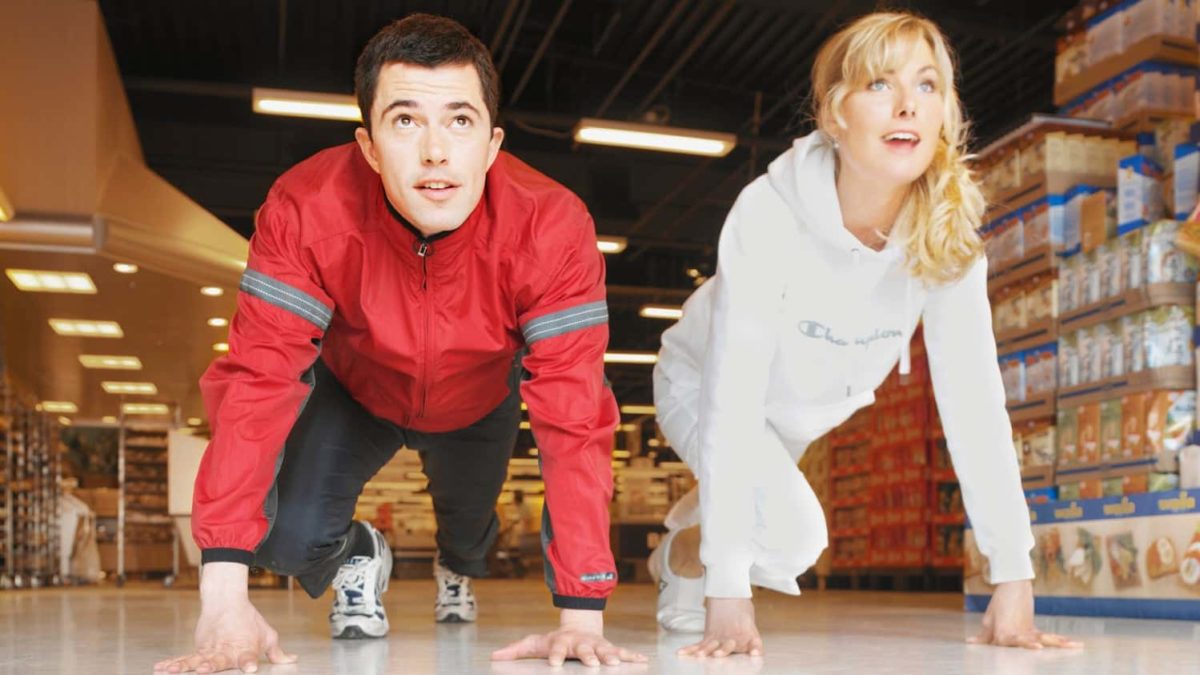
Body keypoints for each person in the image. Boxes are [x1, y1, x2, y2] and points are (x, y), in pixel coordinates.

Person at [155, 14, 645, 673]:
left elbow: (574, 416)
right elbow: (257, 381)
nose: (436, 152)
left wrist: (582, 616)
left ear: (493, 144)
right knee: (280, 534)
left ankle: (456, 567)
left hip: (479, 397)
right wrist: (221, 597)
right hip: (358, 389)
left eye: (460, 122)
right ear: (369, 145)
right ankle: (360, 553)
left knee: (471, 540)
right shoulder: (305, 207)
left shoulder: (552, 226)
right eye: (406, 121)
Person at [649, 12, 1081, 658]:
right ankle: (683, 557)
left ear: (944, 114)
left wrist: (1013, 575)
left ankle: (699, 533)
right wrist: (729, 590)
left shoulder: (947, 234)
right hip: (701, 381)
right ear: (832, 113)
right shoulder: (770, 213)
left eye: (928, 85)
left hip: (802, 412)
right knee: (795, 538)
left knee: (772, 514)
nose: (908, 103)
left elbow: (974, 402)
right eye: (880, 84)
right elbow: (733, 399)